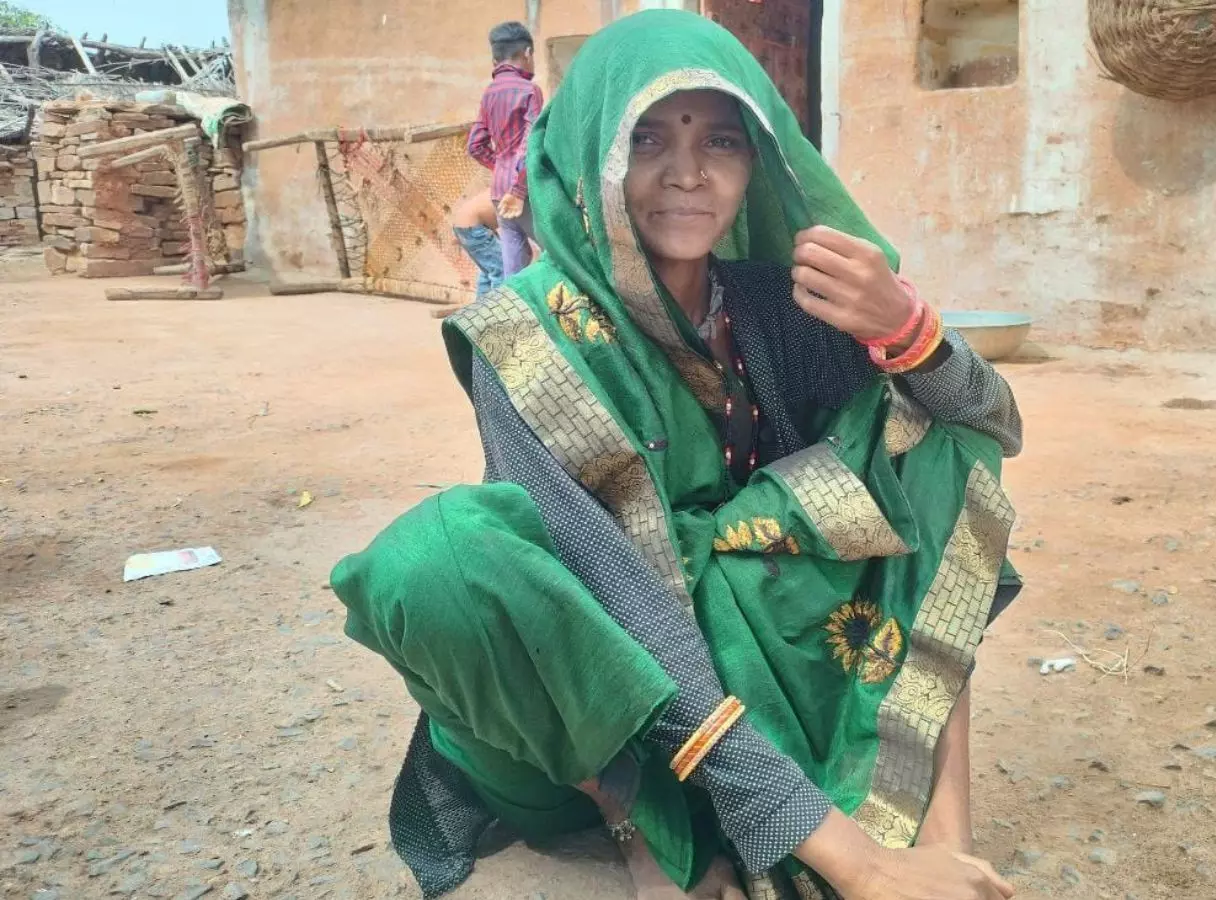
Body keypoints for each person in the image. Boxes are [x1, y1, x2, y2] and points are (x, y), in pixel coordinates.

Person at [332, 11, 1024, 900]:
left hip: (757, 649)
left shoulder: (779, 305)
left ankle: (943, 824)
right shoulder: (527, 334)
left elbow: (991, 432)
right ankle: (643, 830)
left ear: (757, 162)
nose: (687, 174)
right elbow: (616, 587)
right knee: (438, 558)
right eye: (648, 137)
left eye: (722, 140)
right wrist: (857, 863)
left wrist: (911, 332)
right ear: (591, 151)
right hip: (594, 702)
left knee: (932, 441)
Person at [466, 20, 542, 280]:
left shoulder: (489, 93)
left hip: (499, 190)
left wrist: (501, 166)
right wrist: (519, 186)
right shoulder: (530, 90)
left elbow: (475, 145)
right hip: (524, 191)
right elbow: (532, 144)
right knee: (559, 257)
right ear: (527, 54)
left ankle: (509, 319)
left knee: (513, 267)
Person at [450, 189, 506, 299]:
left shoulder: (501, 183)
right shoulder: (517, 188)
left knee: (487, 271)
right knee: (500, 270)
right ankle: (498, 308)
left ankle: (481, 309)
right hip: (473, 227)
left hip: (462, 225)